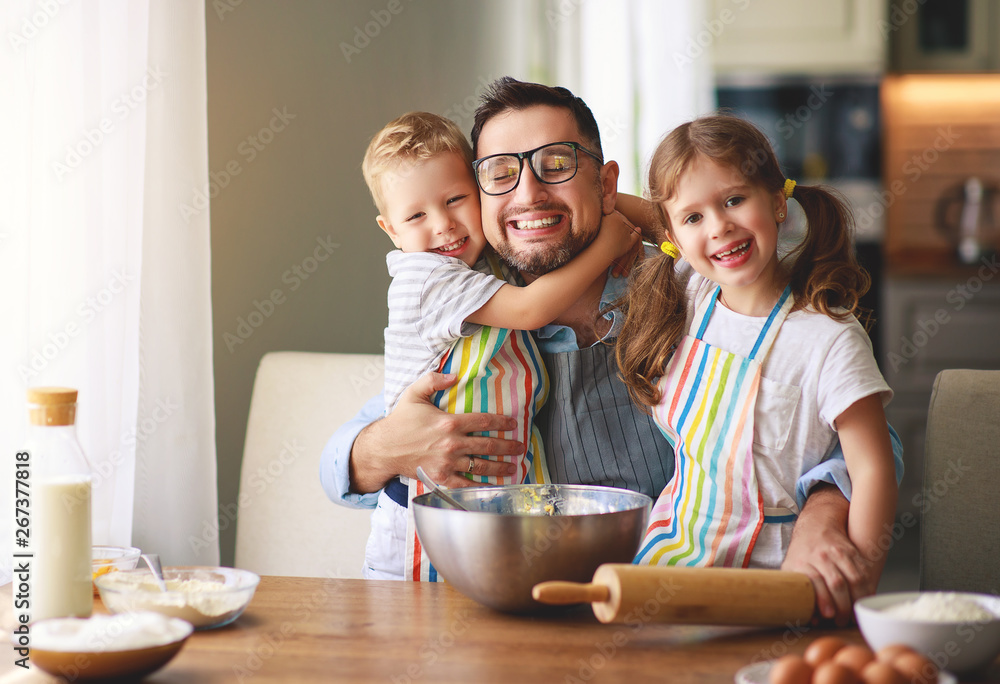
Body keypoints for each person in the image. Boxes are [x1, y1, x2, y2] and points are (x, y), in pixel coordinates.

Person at [321, 77, 901, 621]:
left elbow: (860, 430)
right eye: (500, 174)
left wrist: (823, 510)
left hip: (665, 600)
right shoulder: (467, 308)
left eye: (556, 164)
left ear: (606, 184)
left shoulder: (695, 290)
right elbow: (341, 464)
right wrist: (383, 452)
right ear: (478, 195)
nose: (528, 193)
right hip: (519, 612)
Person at [614, 115, 897, 581]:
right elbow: (622, 210)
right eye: (694, 217)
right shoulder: (690, 293)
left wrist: (860, 581)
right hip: (669, 563)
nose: (720, 226)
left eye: (734, 199)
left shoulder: (829, 339)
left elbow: (872, 471)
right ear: (672, 239)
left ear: (778, 202)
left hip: (774, 579)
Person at [360, 111, 638, 580]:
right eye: (417, 216)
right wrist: (610, 242)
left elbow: (554, 203)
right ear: (390, 230)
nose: (444, 225)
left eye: (455, 200)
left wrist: (607, 201)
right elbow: (532, 310)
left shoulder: (482, 264)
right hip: (425, 514)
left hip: (494, 505)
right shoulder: (427, 277)